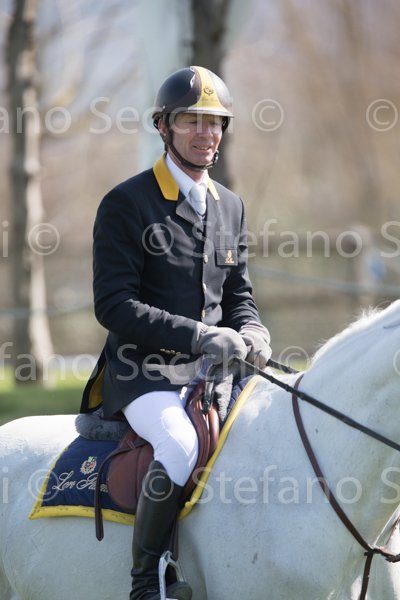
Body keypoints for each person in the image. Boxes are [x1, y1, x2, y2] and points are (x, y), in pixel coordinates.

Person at [81, 65, 272, 600]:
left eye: (215, 122)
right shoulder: (127, 203)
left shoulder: (230, 205)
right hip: (144, 373)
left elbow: (238, 296)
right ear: (163, 126)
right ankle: (146, 582)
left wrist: (253, 328)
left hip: (215, 373)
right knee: (181, 444)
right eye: (192, 121)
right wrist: (199, 336)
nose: (206, 133)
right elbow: (114, 306)